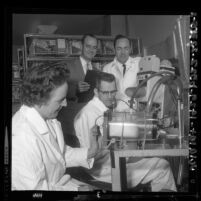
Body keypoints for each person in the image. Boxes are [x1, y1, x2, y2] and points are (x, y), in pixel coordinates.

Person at [74, 71, 177, 192]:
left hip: (115, 160)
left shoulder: (105, 108)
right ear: (96, 92)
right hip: (103, 169)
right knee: (162, 166)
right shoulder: (88, 114)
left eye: (113, 91)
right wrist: (115, 142)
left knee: (156, 159)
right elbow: (90, 155)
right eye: (106, 92)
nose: (111, 96)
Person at [12, 62, 101, 191]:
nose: (65, 104)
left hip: (59, 183)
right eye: (60, 100)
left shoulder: (48, 118)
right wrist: (76, 191)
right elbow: (35, 191)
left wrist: (91, 151)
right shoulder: (22, 137)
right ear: (39, 99)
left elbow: (60, 154)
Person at [103, 34, 145, 111]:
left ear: (130, 49)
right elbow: (104, 95)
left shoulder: (140, 63)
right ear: (114, 49)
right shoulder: (107, 69)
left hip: (136, 111)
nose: (123, 52)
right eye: (119, 48)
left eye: (126, 48)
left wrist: (165, 62)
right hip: (115, 112)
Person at [67, 34, 98, 103]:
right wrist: (75, 89)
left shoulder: (97, 71)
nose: (91, 50)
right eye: (88, 46)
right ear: (81, 46)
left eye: (94, 47)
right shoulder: (68, 66)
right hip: (73, 111)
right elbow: (56, 89)